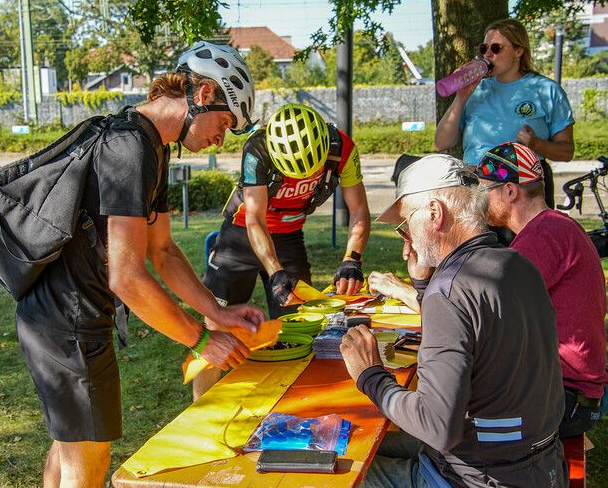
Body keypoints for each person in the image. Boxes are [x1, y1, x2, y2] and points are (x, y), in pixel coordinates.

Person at [15, 41, 265, 488]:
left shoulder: (154, 147)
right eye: (225, 123)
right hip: (66, 319)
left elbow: (163, 251)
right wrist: (199, 339)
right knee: (89, 461)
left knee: (71, 442)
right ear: (204, 94)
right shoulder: (129, 148)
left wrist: (217, 312)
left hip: (63, 312)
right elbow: (127, 277)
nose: (220, 138)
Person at [340, 154, 568, 487]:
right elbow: (473, 330)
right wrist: (422, 284)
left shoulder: (449, 291)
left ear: (434, 213)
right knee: (361, 440)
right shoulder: (518, 264)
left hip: (478, 476)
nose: (407, 238)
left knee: (332, 466)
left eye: (406, 225)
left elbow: (437, 427)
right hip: (537, 462)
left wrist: (370, 375)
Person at [194, 103, 371, 399]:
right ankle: (198, 408)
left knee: (299, 327)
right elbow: (255, 218)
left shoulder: (342, 148)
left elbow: (359, 210)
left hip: (288, 236)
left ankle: (288, 404)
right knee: (216, 323)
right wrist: (275, 272)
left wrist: (352, 259)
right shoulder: (258, 149)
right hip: (241, 235)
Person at [476, 141, 608, 438]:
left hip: (565, 398)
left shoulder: (543, 236)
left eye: (483, 192)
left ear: (510, 191)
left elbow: (485, 315)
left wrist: (415, 292)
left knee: (451, 432)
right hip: (567, 390)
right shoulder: (553, 227)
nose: (478, 202)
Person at [434, 18, 575, 209]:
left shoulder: (546, 90)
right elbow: (441, 142)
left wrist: (535, 144)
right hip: (476, 185)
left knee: (525, 240)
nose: (488, 55)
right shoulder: (476, 89)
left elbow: (567, 151)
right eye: (484, 49)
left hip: (521, 189)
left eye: (496, 48)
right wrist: (461, 97)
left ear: (518, 51)